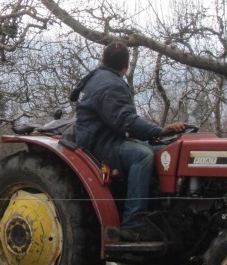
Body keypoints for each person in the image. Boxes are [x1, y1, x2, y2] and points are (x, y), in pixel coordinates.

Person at [70, 41, 189, 241]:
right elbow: (126, 121)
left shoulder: (99, 77)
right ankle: (133, 222)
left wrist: (158, 136)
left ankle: (162, 212)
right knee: (142, 155)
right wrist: (159, 130)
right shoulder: (110, 84)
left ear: (103, 59)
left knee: (162, 149)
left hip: (106, 136)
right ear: (125, 65)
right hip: (99, 143)